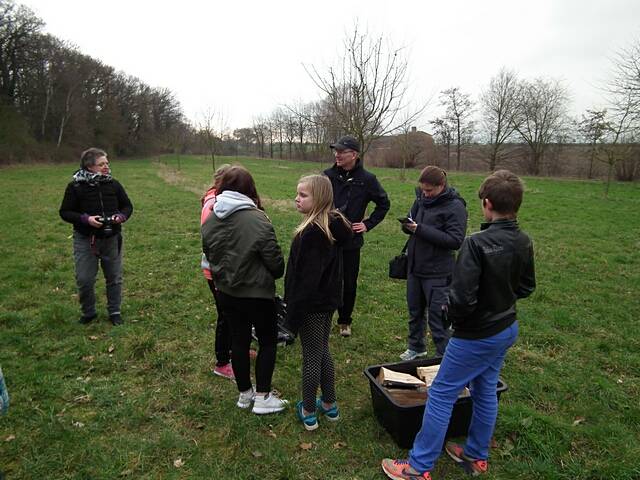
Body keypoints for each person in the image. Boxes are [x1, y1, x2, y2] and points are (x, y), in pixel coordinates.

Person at [381, 170, 536, 480]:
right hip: (506, 328)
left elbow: (461, 300)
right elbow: (526, 288)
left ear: (487, 204)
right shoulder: (524, 240)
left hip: (477, 335)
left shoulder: (476, 244)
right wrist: (497, 298)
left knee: (441, 393)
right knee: (485, 389)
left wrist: (453, 315)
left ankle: (417, 467)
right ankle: (476, 456)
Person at [201, 166, 288, 415]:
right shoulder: (258, 218)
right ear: (250, 189)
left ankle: (244, 394)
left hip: (226, 292)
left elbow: (209, 253)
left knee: (238, 340)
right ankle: (262, 397)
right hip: (258, 294)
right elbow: (276, 264)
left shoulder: (211, 217)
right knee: (268, 342)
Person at [284, 175, 352, 431]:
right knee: (322, 350)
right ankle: (330, 404)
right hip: (327, 303)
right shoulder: (331, 225)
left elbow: (305, 281)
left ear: (320, 198)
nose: (297, 199)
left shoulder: (313, 233)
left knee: (311, 356)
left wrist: (292, 316)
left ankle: (309, 410)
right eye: (297, 194)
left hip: (312, 305)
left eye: (303, 195)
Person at [399, 166, 468, 361]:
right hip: (415, 267)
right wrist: (408, 226)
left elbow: (455, 240)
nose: (425, 194)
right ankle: (416, 347)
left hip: (438, 272)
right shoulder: (420, 200)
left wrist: (419, 229)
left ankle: (445, 355)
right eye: (423, 190)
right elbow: (412, 223)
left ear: (442, 185)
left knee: (439, 318)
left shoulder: (455, 207)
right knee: (415, 312)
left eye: (429, 191)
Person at [324, 135, 390, 337]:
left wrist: (368, 224)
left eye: (342, 151)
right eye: (335, 151)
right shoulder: (326, 176)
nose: (337, 154)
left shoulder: (367, 180)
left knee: (348, 283)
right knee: (324, 280)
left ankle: (344, 321)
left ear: (354, 154)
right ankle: (323, 319)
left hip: (351, 241)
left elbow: (383, 204)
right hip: (326, 238)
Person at [59, 148, 133, 326]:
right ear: (89, 166)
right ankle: (88, 312)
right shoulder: (75, 187)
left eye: (107, 163)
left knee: (114, 277)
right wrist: (86, 219)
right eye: (102, 164)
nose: (107, 166)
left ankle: (115, 312)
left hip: (112, 238)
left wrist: (120, 217)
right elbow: (65, 212)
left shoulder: (114, 184)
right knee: (84, 279)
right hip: (85, 239)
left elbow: (127, 206)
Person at [200, 164, 236, 380]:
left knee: (230, 313)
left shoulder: (217, 199)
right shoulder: (213, 204)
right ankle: (222, 362)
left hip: (220, 268)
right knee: (225, 315)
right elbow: (214, 240)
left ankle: (232, 350)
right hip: (217, 271)